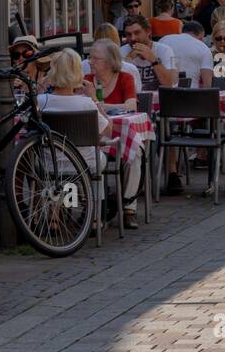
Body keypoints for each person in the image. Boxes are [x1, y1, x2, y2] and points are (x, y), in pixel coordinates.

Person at [40, 49, 145, 226]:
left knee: (61, 170)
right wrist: (94, 100)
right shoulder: (85, 103)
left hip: (49, 161)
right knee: (98, 164)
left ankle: (56, 216)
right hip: (85, 162)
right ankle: (95, 217)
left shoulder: (41, 101)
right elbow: (108, 129)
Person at [120, 15, 177, 93]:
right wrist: (127, 61)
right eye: (128, 34)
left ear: (148, 31)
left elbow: (170, 84)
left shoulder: (164, 50)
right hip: (134, 100)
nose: (132, 38)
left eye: (137, 33)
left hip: (159, 101)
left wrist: (153, 59)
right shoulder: (122, 51)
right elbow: (118, 86)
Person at [159, 20, 216, 88]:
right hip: (191, 94)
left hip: (164, 92)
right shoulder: (203, 47)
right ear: (200, 35)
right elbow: (207, 84)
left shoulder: (164, 40)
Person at [86, 38, 138, 110]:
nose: (90, 62)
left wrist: (100, 106)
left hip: (118, 121)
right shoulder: (87, 80)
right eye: (90, 57)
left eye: (95, 58)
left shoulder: (125, 78)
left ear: (110, 62)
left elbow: (132, 107)